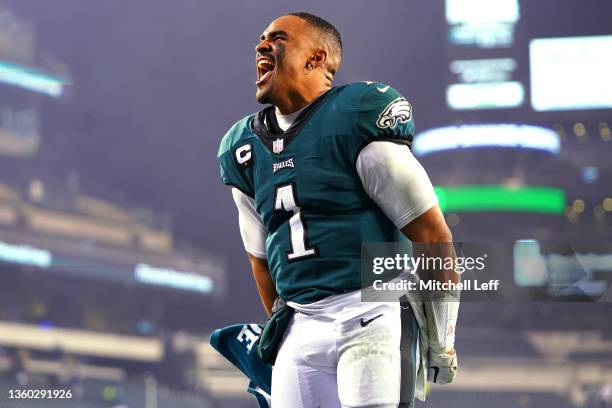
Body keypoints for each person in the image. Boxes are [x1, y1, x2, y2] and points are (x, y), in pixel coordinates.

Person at [217, 12, 459, 408]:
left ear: (315, 58)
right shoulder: (242, 149)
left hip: (372, 309)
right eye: (261, 38)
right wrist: (284, 324)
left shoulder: (356, 116)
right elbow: (260, 259)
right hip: (301, 323)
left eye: (276, 38)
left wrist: (441, 339)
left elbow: (433, 236)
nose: (260, 46)